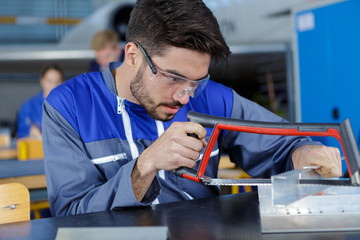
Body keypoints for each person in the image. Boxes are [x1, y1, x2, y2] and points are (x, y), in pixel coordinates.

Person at [42, 0, 342, 217]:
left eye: (196, 81)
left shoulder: (213, 98)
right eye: (173, 78)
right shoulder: (69, 106)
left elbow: (280, 146)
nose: (186, 97)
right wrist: (145, 166)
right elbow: (71, 214)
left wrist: (303, 154)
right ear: (132, 55)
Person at [17, 64, 64, 138]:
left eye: (57, 82)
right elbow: (21, 134)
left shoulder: (69, 107)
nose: (53, 86)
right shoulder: (28, 107)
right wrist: (31, 132)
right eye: (49, 81)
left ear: (63, 83)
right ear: (42, 81)